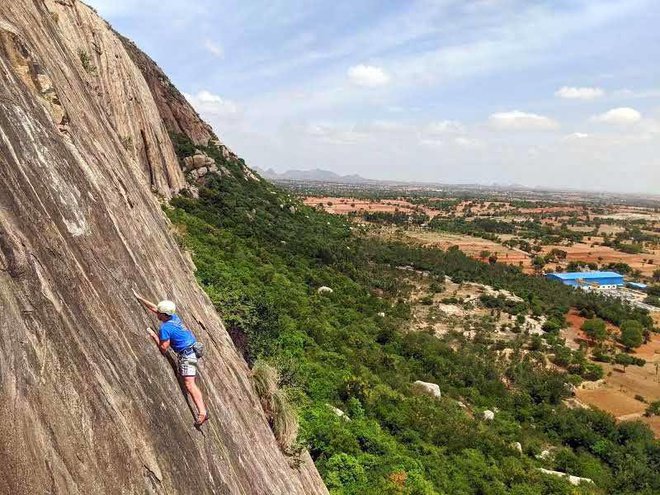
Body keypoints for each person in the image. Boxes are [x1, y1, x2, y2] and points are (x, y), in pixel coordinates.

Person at [133, 290, 208, 427]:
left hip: (187, 355)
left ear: (164, 315)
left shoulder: (165, 328)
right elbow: (155, 308)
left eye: (159, 313)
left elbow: (163, 348)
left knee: (189, 384)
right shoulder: (174, 318)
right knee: (189, 382)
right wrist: (140, 298)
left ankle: (202, 412)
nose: (157, 313)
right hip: (191, 350)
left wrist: (153, 335)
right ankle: (202, 411)